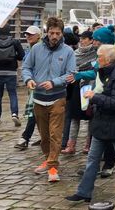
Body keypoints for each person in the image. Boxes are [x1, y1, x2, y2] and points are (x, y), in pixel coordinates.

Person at [65, 44, 115, 203]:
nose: (97, 60)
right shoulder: (102, 72)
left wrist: (94, 98)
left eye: (99, 57)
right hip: (102, 121)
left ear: (108, 60)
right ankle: (84, 192)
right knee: (92, 158)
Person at [22, 17, 76, 182]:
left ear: (61, 33)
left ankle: (53, 168)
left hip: (58, 97)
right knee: (44, 136)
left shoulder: (68, 51)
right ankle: (48, 159)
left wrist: (54, 82)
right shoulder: (36, 48)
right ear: (46, 32)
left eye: (57, 33)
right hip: (38, 98)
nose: (54, 36)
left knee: (55, 134)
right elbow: (26, 67)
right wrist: (28, 79)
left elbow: (71, 74)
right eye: (51, 33)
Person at [62, 30, 97, 155]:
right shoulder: (75, 53)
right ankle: (71, 145)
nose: (81, 41)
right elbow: (70, 68)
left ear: (91, 40)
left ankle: (88, 144)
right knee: (74, 116)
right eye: (81, 38)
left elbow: (95, 71)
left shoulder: (96, 53)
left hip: (90, 86)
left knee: (90, 116)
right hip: (76, 86)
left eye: (85, 38)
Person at [15, 25, 43, 149]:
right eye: (27, 34)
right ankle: (44, 136)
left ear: (39, 36)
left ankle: (25, 137)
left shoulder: (41, 48)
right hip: (31, 84)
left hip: (40, 85)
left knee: (33, 112)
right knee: (37, 112)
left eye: (31, 34)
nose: (28, 36)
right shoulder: (30, 49)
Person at [0, 24, 25, 126]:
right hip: (11, 72)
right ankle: (14, 114)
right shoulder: (15, 42)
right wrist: (14, 57)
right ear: (10, 30)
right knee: (12, 94)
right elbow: (22, 55)